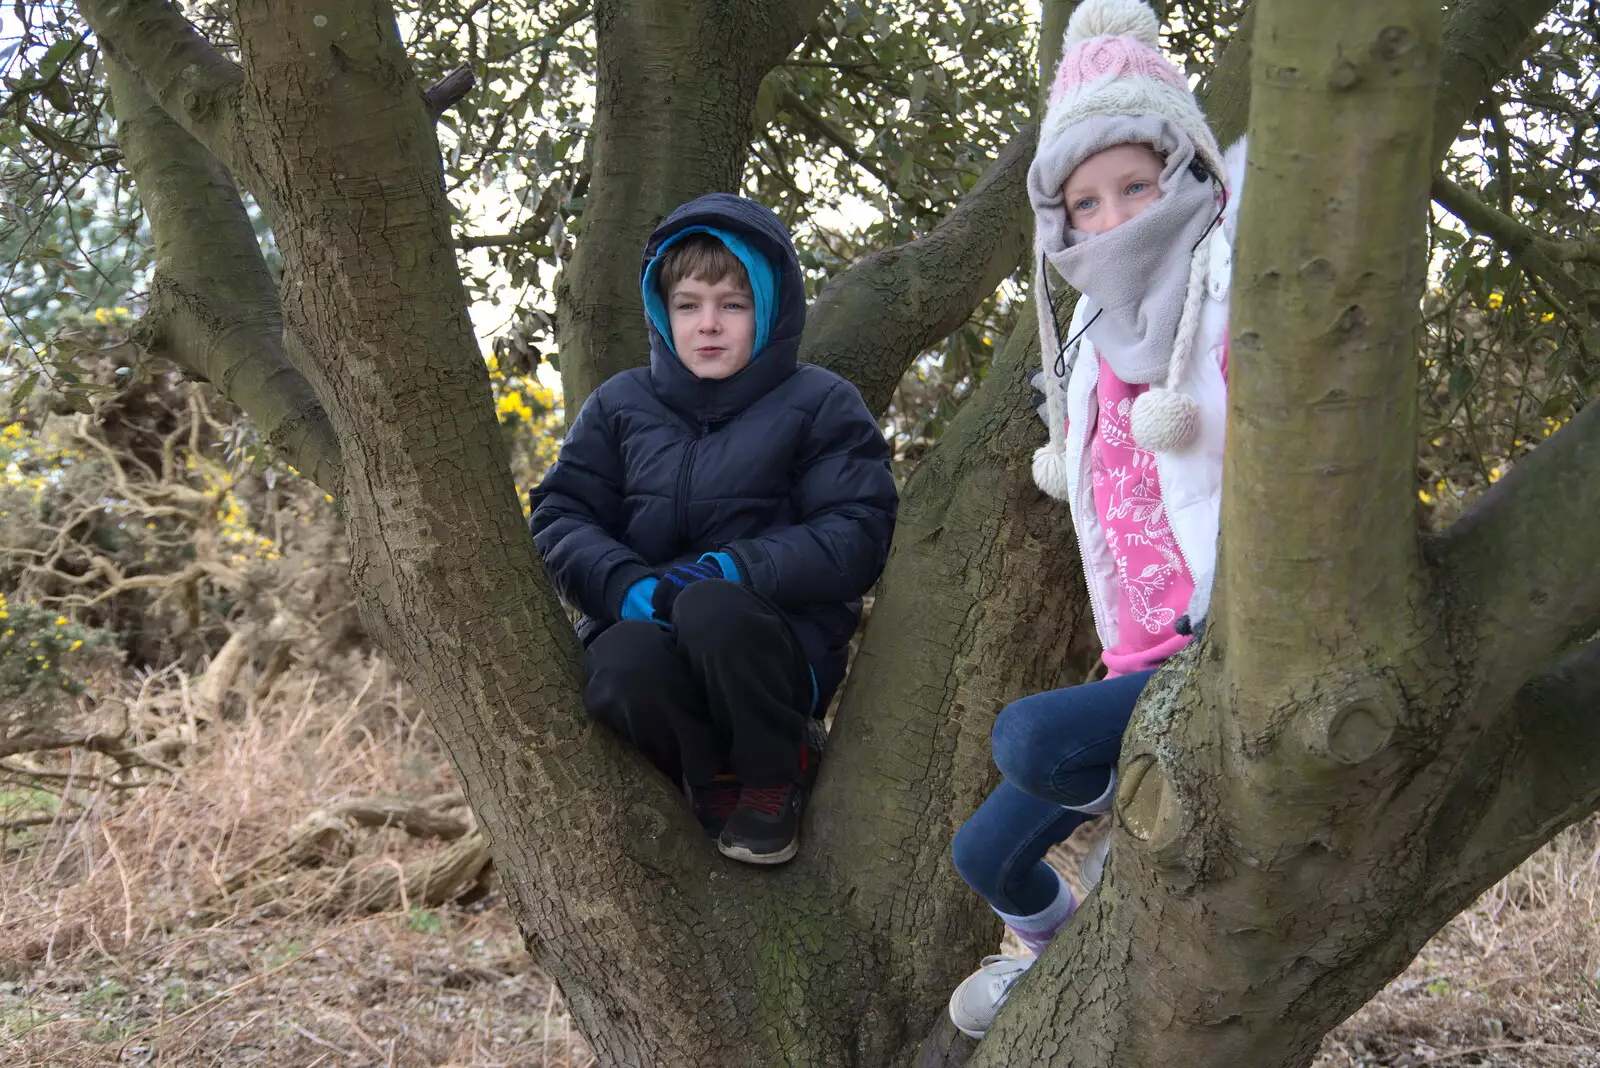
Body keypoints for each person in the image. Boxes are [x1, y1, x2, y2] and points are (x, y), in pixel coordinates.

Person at [946, 0, 1245, 1037]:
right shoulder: (1085, 339)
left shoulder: (1226, 292)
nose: (1113, 219)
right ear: (1059, 223)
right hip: (1134, 659)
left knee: (1028, 737)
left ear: (1188, 175)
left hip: (1223, 646)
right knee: (981, 855)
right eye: (1086, 202)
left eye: (1136, 186)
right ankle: (1055, 950)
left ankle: (1151, 874)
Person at [529, 193, 897, 866]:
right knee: (619, 663)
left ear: (771, 309)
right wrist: (628, 589)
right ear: (662, 313)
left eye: (733, 305)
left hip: (773, 650)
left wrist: (738, 569)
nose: (708, 325)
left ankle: (773, 777)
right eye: (688, 305)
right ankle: (711, 783)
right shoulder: (619, 404)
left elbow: (858, 530)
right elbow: (560, 514)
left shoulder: (820, 403)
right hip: (649, 628)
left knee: (710, 607)